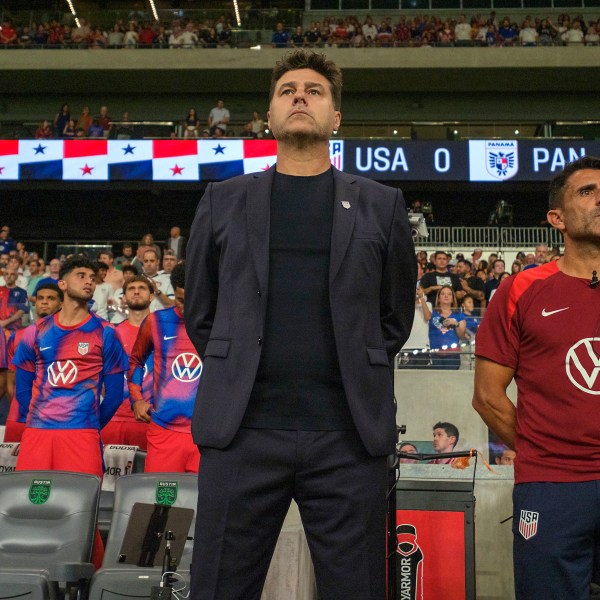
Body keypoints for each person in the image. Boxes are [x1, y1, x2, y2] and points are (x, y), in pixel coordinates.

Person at [185, 49, 416, 600]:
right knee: (218, 587)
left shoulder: (382, 205)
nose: (299, 98)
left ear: (336, 118)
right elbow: (202, 313)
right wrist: (239, 358)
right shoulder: (223, 200)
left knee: (357, 588)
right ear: (269, 114)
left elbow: (393, 318)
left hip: (347, 435)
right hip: (241, 432)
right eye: (287, 89)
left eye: (314, 91)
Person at [473, 156, 600, 600]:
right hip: (551, 487)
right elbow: (488, 397)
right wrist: (544, 450)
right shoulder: (521, 289)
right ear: (556, 218)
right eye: (587, 191)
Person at [13, 256, 128, 568]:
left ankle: (90, 583)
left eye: (92, 276)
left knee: (83, 515)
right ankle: (29, 576)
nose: (89, 280)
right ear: (62, 283)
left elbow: (116, 395)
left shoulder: (105, 333)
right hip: (37, 434)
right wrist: (37, 419)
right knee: (30, 508)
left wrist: (89, 425)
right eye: (81, 275)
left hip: (81, 435)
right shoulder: (34, 332)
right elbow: (22, 388)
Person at [128, 263, 200, 472]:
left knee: (200, 502)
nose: (186, 308)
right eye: (180, 300)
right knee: (161, 502)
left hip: (206, 434)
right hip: (164, 430)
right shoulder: (156, 321)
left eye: (193, 300)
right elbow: (135, 361)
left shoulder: (220, 322)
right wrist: (137, 399)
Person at [4, 282, 63, 443]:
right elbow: (11, 381)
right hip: (18, 418)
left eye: (50, 298)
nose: (44, 302)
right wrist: (19, 408)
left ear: (61, 303)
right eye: (41, 298)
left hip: (54, 419)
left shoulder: (69, 338)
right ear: (34, 302)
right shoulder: (17, 337)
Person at [101, 275, 154, 450]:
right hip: (114, 419)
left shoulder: (163, 333)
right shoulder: (111, 333)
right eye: (131, 289)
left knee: (146, 477)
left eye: (142, 288)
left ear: (152, 296)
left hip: (151, 419)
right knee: (108, 477)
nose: (137, 291)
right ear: (124, 298)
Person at [425, 285, 466, 370]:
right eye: (443, 294)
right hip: (434, 354)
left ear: (452, 298)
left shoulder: (459, 315)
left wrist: (456, 324)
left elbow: (462, 336)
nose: (446, 296)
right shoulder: (432, 313)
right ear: (438, 298)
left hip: (452, 355)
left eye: (449, 294)